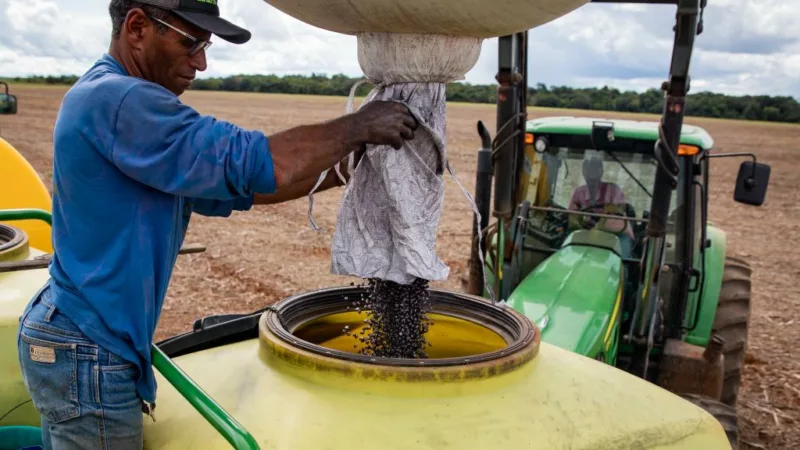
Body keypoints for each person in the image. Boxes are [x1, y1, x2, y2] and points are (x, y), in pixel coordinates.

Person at [15, 1, 417, 448]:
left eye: (205, 46)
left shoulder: (113, 103)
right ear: (137, 27)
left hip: (74, 333)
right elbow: (252, 161)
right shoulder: (121, 99)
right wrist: (359, 126)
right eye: (191, 43)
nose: (201, 62)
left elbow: (241, 185)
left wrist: (349, 169)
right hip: (88, 343)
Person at [567, 155, 634, 257]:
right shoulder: (579, 192)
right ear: (583, 172)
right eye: (588, 170)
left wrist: (598, 227)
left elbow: (616, 211)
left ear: (601, 172)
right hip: (586, 234)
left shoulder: (613, 190)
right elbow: (572, 216)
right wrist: (577, 223)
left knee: (621, 260)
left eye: (595, 169)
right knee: (565, 251)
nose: (591, 174)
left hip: (617, 234)